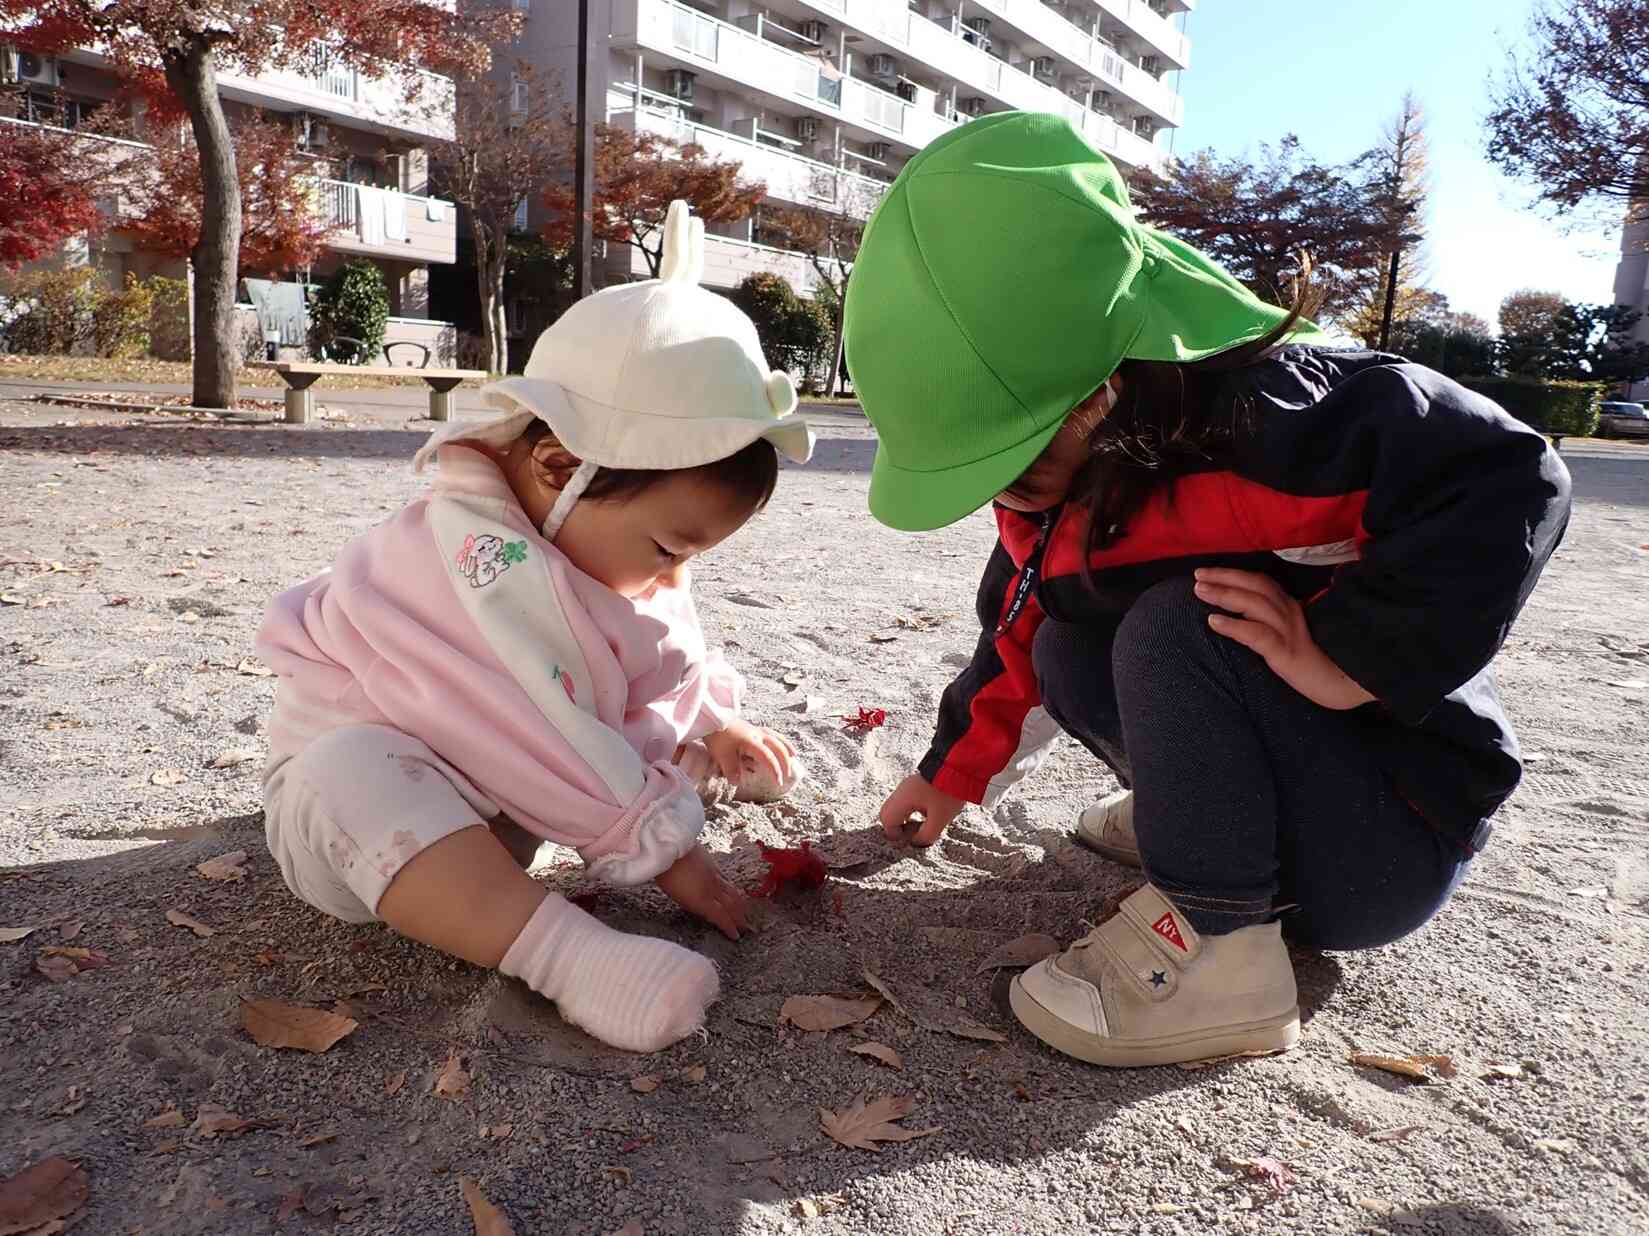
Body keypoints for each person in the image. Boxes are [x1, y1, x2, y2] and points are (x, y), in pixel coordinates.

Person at [842, 113, 1570, 1068]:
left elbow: (1511, 476)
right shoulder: (1063, 489)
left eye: (1009, 456)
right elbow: (1016, 621)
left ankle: (1222, 958)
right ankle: (1200, 830)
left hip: (1388, 833)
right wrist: (950, 774)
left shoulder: (1293, 421)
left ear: (1099, 391)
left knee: (1181, 621)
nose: (997, 490)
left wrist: (1349, 660)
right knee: (1069, 639)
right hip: (1291, 820)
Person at [255, 202, 814, 1053]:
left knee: (610, 747)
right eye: (666, 546)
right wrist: (670, 855)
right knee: (351, 771)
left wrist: (714, 719)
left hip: (506, 807)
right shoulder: (468, 559)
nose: (672, 577)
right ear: (558, 465)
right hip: (352, 830)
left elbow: (649, 648)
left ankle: (520, 884)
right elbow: (527, 717)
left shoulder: (591, 537)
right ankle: (567, 957)